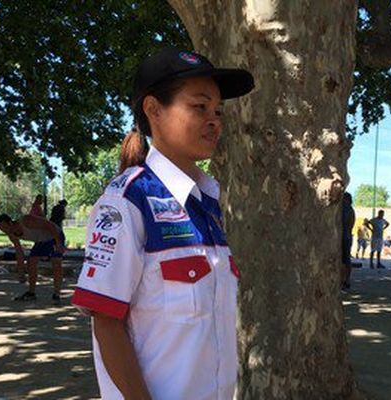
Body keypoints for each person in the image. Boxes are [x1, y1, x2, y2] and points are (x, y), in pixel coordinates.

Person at [71, 46, 254, 399]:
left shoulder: (208, 203)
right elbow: (106, 322)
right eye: (199, 107)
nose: (214, 119)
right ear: (153, 109)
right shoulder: (127, 202)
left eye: (218, 110)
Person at [0, 213, 66, 304]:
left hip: (54, 235)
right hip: (40, 241)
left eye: (4, 227)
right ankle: (31, 293)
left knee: (56, 263)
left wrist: (58, 243)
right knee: (31, 262)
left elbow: (49, 225)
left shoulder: (26, 221)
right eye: (1, 229)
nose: (4, 230)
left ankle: (56, 294)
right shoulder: (12, 235)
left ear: (10, 223)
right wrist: (21, 271)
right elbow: (19, 253)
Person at [342, 192, 356, 290]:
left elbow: (350, 224)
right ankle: (345, 280)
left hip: (345, 236)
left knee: (346, 259)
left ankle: (346, 280)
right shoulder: (349, 210)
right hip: (346, 236)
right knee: (345, 260)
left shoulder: (348, 210)